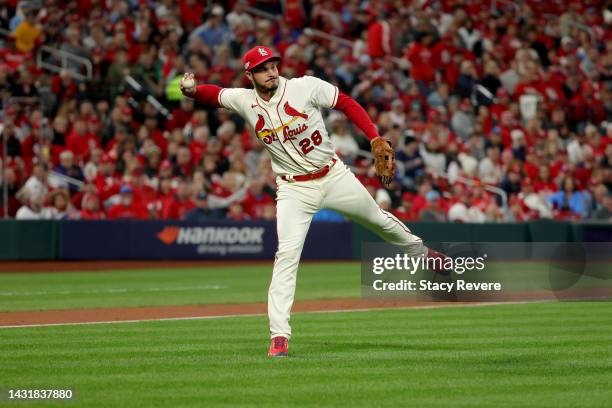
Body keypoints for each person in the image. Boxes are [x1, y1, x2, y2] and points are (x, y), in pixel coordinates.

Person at [180, 45, 448, 358]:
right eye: (264, 68)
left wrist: (373, 136)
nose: (272, 72)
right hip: (294, 189)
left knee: (378, 220)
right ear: (250, 74)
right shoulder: (245, 100)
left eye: (274, 65)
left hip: (333, 175)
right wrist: (192, 90)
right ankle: (279, 336)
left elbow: (345, 103)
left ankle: (423, 253)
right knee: (287, 257)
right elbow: (216, 95)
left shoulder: (304, 87)